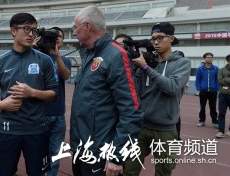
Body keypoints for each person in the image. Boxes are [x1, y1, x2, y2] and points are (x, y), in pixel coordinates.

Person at [70, 6, 143, 176]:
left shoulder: (116, 55)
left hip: (101, 153)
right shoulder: (88, 54)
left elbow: (131, 111)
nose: (73, 33)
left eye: (75, 27)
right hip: (82, 148)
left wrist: (116, 156)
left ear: (87, 26)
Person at [0, 12, 58, 176]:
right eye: (26, 29)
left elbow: (54, 93)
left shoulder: (45, 61)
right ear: (13, 31)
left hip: (37, 130)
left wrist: (31, 92)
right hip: (7, 130)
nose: (31, 34)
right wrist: (2, 104)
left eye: (34, 30)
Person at [124, 22, 191, 175]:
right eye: (153, 38)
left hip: (165, 130)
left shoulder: (182, 63)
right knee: (128, 169)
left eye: (160, 38)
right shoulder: (147, 62)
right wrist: (137, 67)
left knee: (163, 172)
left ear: (171, 38)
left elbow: (172, 87)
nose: (155, 42)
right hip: (141, 127)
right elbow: (136, 90)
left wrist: (145, 68)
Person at [33, 27, 72, 176]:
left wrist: (57, 57)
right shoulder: (34, 56)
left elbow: (66, 75)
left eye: (59, 37)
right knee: (37, 153)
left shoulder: (64, 60)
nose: (56, 39)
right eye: (51, 36)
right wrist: (32, 49)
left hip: (58, 115)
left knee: (55, 155)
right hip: (39, 113)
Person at [195, 52, 219, 128]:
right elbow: (197, 80)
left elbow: (218, 79)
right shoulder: (200, 69)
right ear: (204, 58)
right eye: (208, 57)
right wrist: (199, 89)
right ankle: (202, 121)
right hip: (203, 92)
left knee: (213, 108)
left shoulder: (215, 68)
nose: (209, 59)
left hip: (213, 91)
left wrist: (217, 89)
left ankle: (215, 122)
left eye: (211, 57)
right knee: (202, 107)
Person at [216, 54, 230, 138]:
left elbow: (224, 80)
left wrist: (226, 79)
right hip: (223, 95)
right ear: (228, 61)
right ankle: (221, 131)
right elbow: (220, 81)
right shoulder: (221, 70)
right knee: (221, 113)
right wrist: (224, 80)